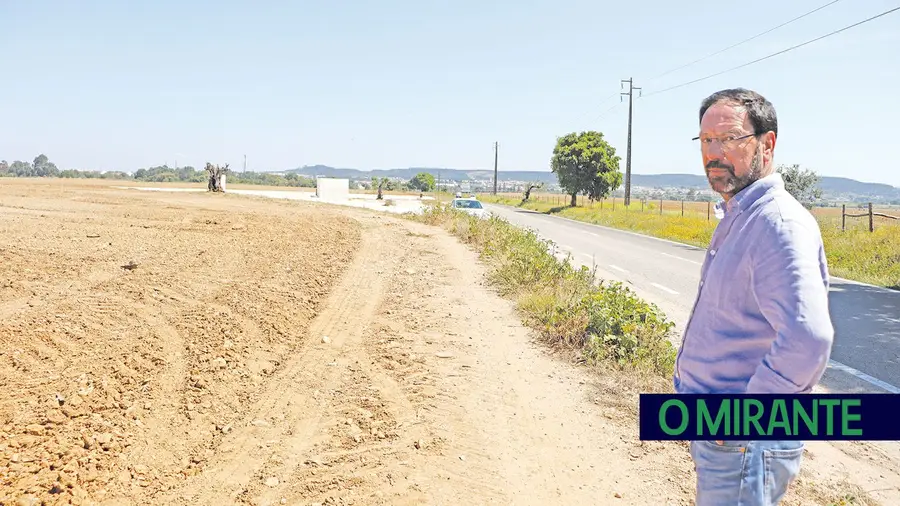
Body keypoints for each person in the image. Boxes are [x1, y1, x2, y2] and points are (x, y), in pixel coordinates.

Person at [673, 88, 835, 505]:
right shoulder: (741, 214)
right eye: (706, 140)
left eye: (728, 139)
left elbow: (808, 339)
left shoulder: (777, 225)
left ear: (767, 143)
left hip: (744, 441)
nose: (714, 152)